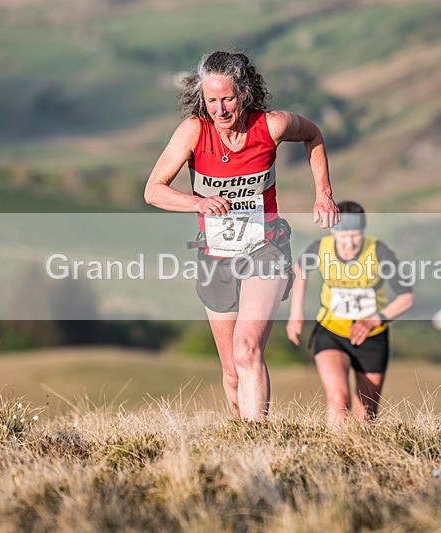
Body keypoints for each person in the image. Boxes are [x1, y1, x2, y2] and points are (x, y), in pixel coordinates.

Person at [144, 50, 339, 421]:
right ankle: (240, 439)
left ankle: (258, 441)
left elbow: (313, 134)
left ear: (245, 92)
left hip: (265, 250)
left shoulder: (273, 126)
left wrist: (323, 193)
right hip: (215, 257)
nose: (220, 109)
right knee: (232, 370)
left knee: (247, 349)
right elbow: (153, 190)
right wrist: (196, 203)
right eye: (212, 100)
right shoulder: (193, 131)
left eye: (228, 98)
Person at [286, 201, 414, 426]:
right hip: (331, 332)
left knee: (366, 413)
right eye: (343, 236)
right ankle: (333, 453)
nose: (349, 243)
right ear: (334, 231)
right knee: (338, 398)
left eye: (355, 236)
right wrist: (295, 313)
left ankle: (360, 455)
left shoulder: (379, 251)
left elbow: (407, 297)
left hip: (372, 337)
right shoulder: (321, 247)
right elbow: (300, 270)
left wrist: (373, 321)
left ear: (363, 232)